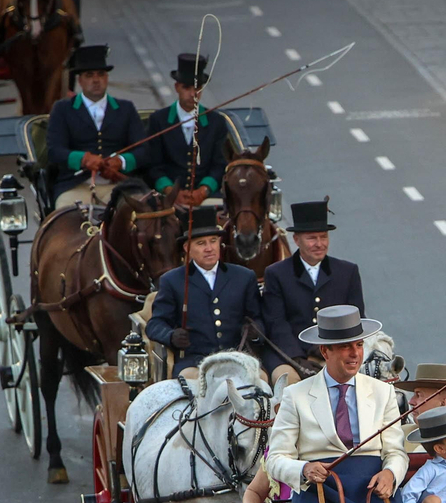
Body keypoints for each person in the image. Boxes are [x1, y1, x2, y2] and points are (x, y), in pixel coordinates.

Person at [266, 307, 410, 503]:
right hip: (321, 489)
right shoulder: (296, 396)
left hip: (373, 487)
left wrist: (391, 473)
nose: (354, 353)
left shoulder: (384, 392)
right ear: (325, 351)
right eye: (345, 347)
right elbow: (275, 460)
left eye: (358, 345)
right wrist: (303, 470)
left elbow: (397, 451)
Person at [146, 207, 267, 377]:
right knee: (191, 380)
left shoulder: (244, 277)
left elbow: (258, 317)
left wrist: (255, 332)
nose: (209, 248)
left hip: (238, 359)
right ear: (187, 248)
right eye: (201, 243)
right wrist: (171, 336)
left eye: (213, 241)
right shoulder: (172, 280)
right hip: (195, 362)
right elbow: (155, 325)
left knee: (261, 380)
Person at [259, 201, 367, 388]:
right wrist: (298, 357)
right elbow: (276, 323)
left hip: (334, 352)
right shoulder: (276, 274)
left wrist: (328, 352)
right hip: (288, 354)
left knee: (356, 382)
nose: (319, 244)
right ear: (296, 240)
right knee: (287, 383)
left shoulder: (347, 271)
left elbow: (356, 320)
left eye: (323, 237)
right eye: (312, 238)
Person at [47, 46, 148, 211]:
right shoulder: (62, 109)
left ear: (107, 78)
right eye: (89, 75)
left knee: (139, 219)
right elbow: (54, 151)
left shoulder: (126, 108)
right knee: (66, 217)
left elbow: (143, 150)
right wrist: (84, 159)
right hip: (75, 186)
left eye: (101, 74)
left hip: (118, 186)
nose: (96, 80)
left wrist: (121, 162)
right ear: (80, 80)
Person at [144, 53, 228, 208]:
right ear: (177, 87)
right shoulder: (159, 120)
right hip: (167, 198)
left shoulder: (216, 122)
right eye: (186, 88)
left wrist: (203, 191)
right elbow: (153, 165)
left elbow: (220, 165)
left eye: (197, 88)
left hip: (207, 199)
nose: (192, 94)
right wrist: (171, 191)